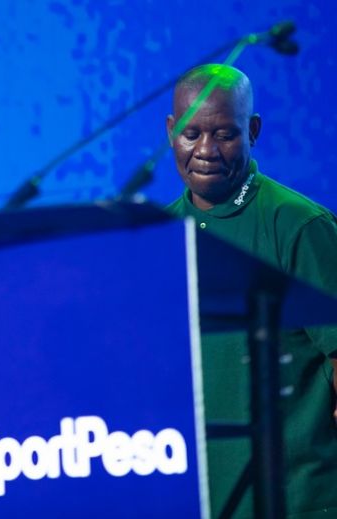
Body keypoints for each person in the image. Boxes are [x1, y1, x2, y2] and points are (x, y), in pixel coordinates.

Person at [167, 63, 337, 518]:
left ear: (253, 130)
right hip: (196, 500)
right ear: (170, 131)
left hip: (295, 499)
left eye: (224, 134)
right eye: (191, 133)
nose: (205, 150)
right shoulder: (157, 238)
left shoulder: (297, 225)